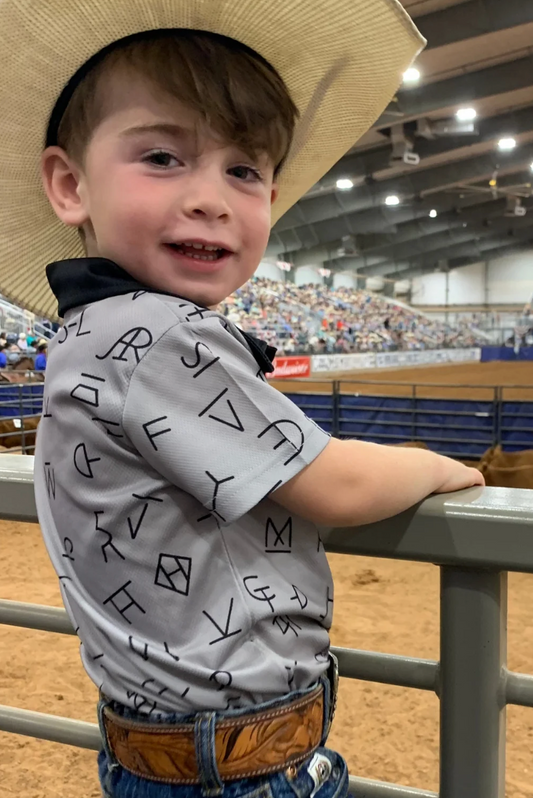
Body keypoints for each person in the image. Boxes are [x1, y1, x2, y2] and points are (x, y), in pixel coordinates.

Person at [0, 2, 484, 798]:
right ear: (68, 184)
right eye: (162, 157)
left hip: (171, 747)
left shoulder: (90, 330)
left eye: (244, 170)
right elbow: (335, 484)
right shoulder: (160, 335)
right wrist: (431, 464)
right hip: (236, 766)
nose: (210, 198)